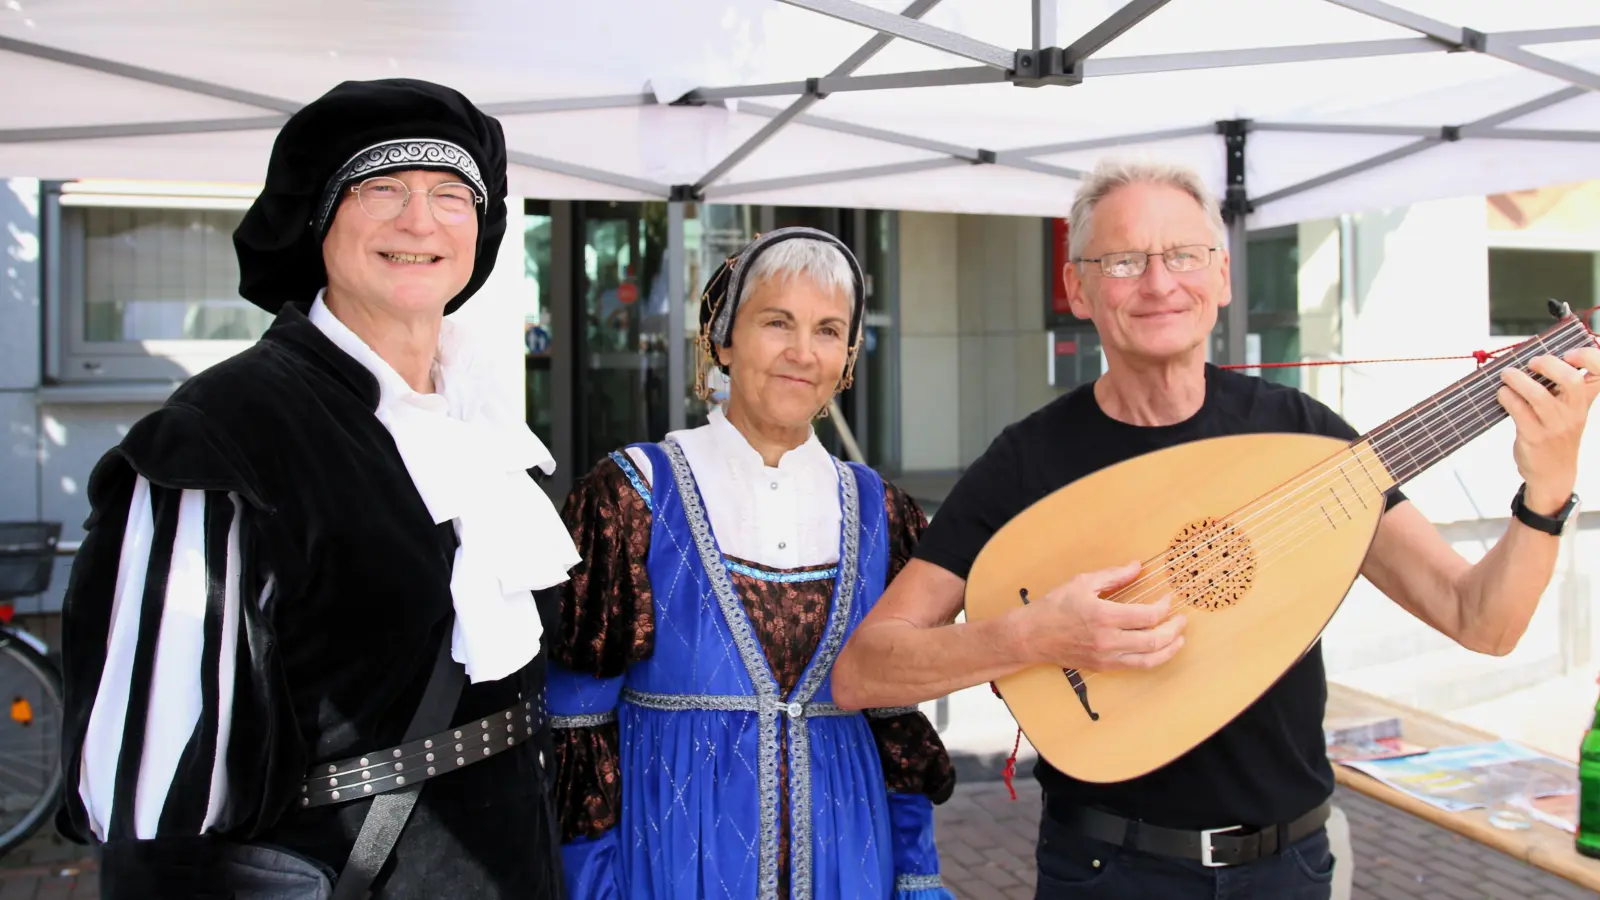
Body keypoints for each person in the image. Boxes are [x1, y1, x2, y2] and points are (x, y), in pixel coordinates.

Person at [830, 159, 1600, 899]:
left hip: (1286, 868)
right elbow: (865, 670)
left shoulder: (1308, 439)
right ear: (1077, 287)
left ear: (1223, 276)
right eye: (1125, 261)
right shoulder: (1027, 462)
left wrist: (1549, 485)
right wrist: (1035, 637)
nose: (1161, 282)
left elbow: (1483, 622)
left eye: (1185, 255)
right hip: (1106, 868)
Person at [56, 78, 579, 899]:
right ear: (320, 218)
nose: (420, 220)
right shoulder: (226, 433)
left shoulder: (483, 421)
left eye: (451, 194)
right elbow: (154, 798)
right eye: (383, 189)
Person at [547, 226, 957, 899]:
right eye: (777, 322)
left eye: (828, 330)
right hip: (677, 859)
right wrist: (593, 888)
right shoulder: (633, 497)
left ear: (847, 358)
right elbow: (577, 728)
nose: (802, 352)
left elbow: (897, 726)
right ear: (724, 339)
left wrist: (915, 875)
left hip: (852, 861)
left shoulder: (882, 512)